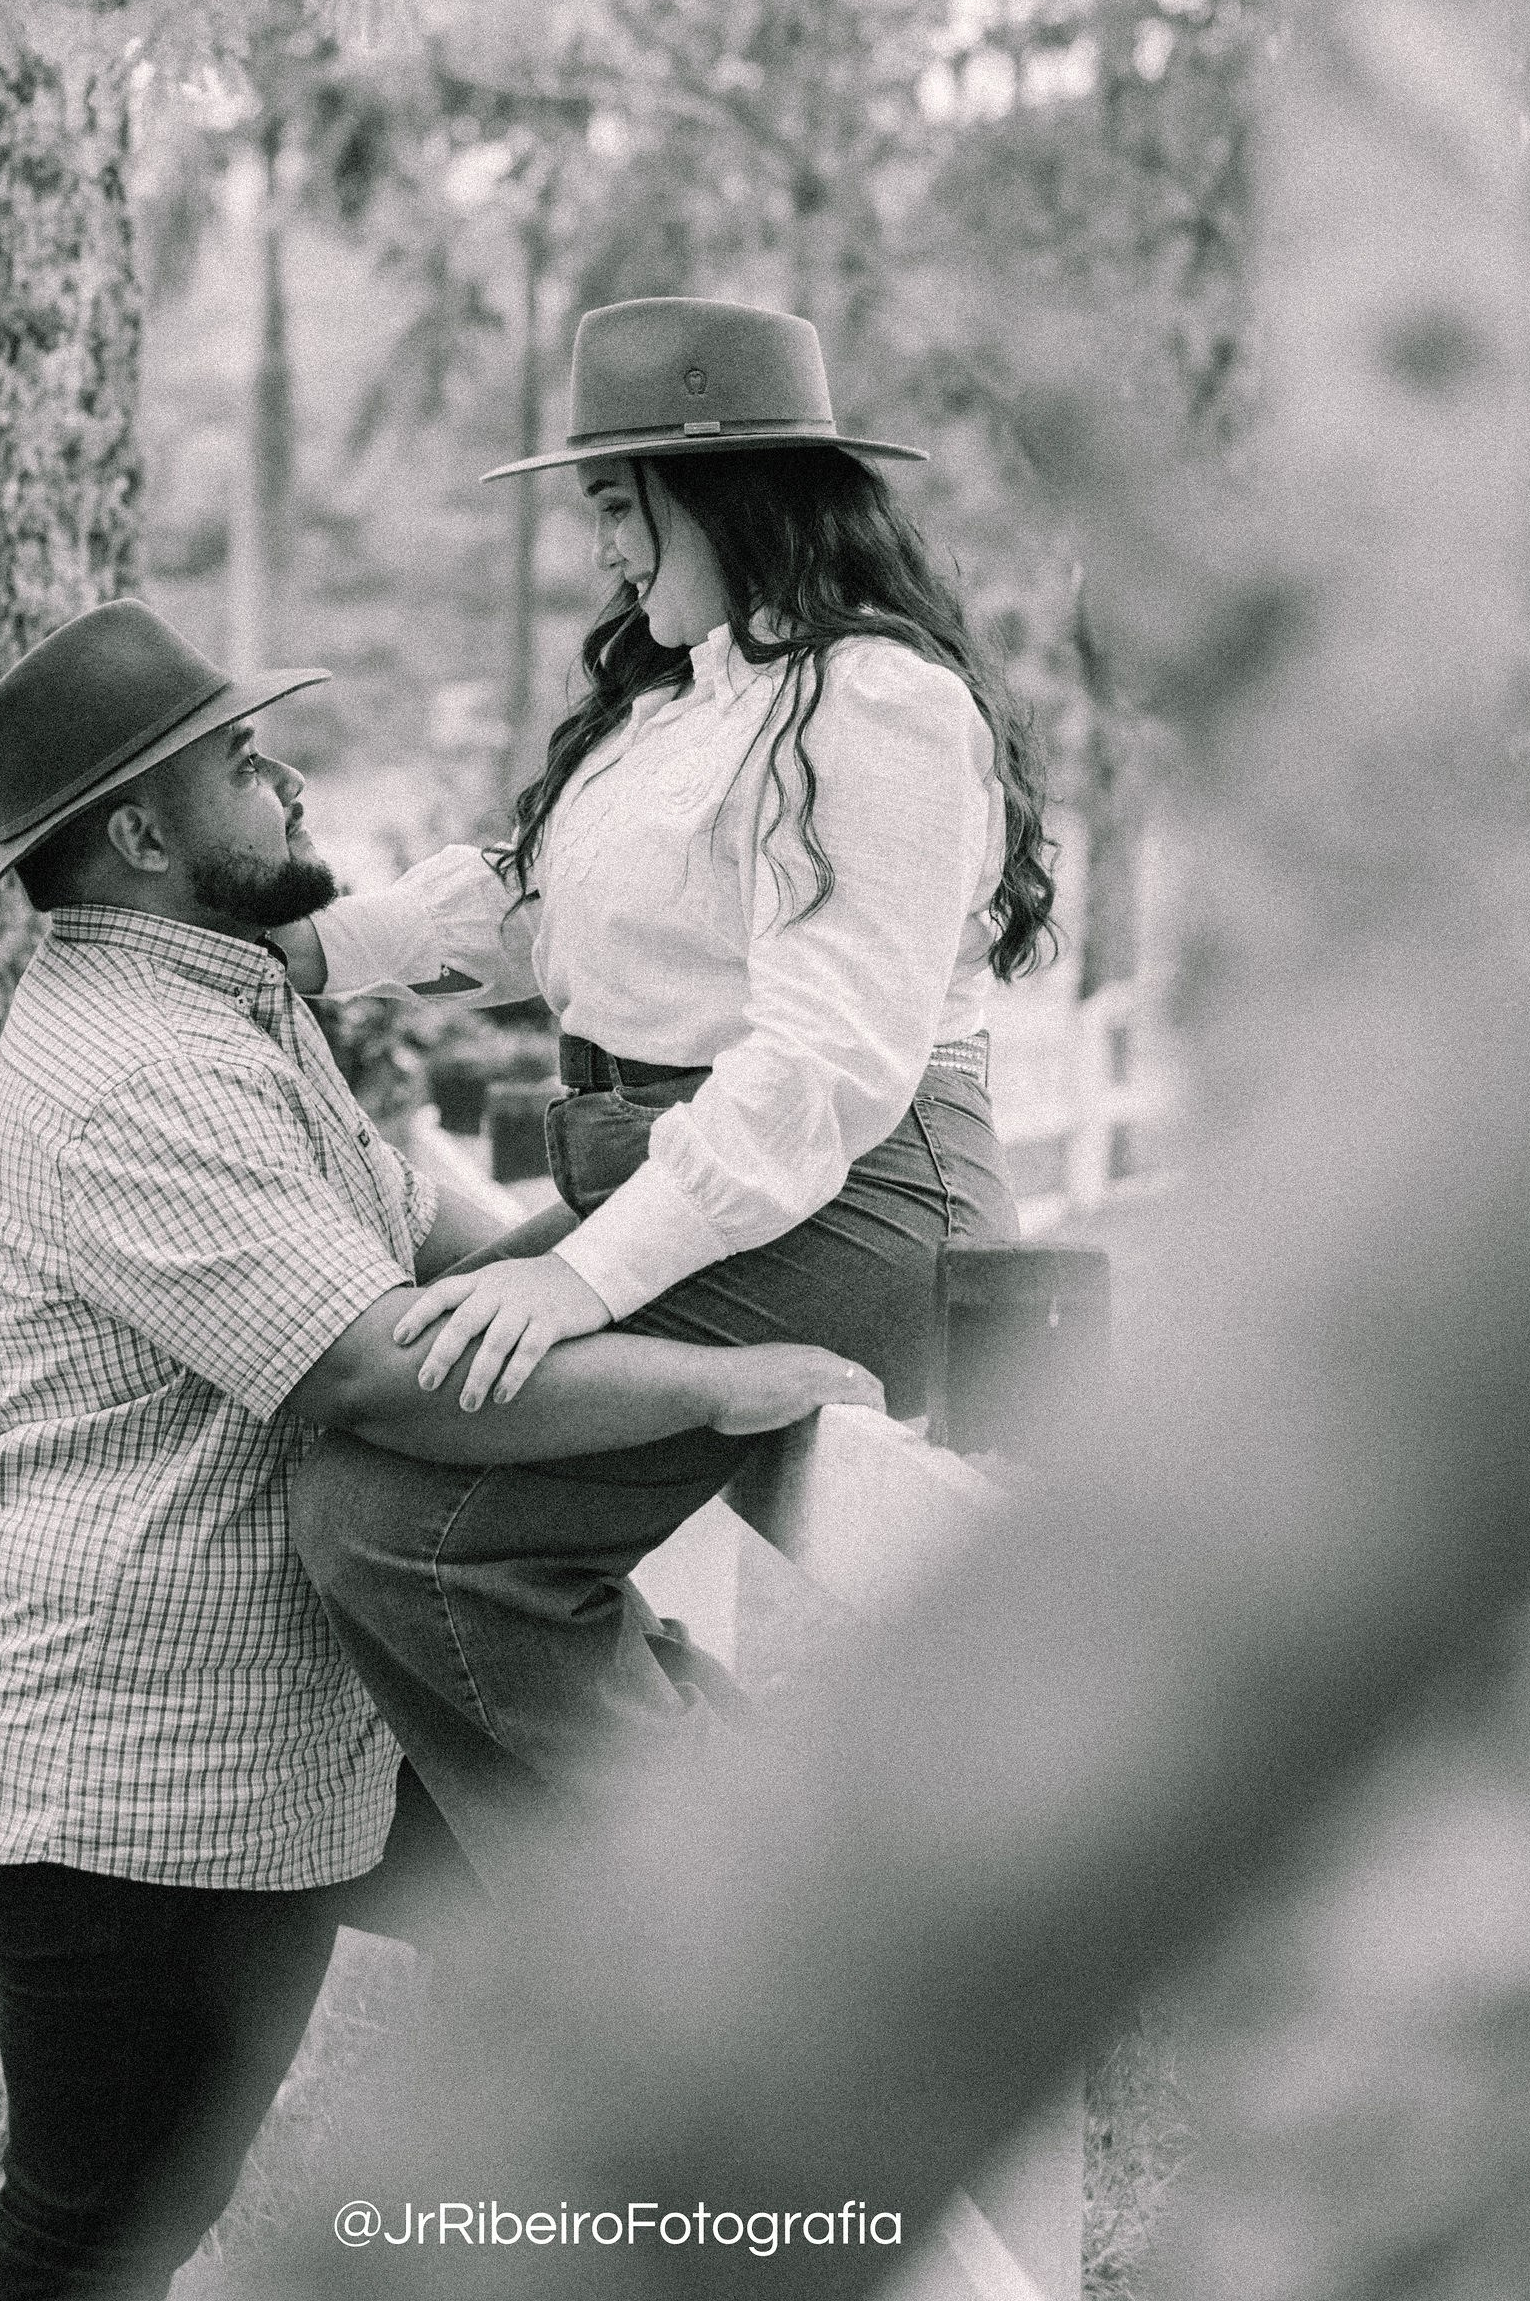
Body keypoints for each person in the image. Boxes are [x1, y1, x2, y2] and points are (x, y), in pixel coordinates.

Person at [0, 597, 878, 2301]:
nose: (283, 780)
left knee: (643, 1913)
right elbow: (378, 1375)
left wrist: (622, 1277)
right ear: (140, 834)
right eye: (237, 763)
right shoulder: (130, 1076)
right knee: (92, 2239)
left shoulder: (220, 1005)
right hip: (127, 1777)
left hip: (266, 1731)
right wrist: (724, 1385)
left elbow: (416, 1231)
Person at [279, 295, 1055, 1877]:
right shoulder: (679, 702)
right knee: (360, 1493)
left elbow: (825, 1064)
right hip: (682, 1181)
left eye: (619, 509)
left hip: (850, 1196)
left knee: (410, 1536)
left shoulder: (878, 708)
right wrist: (308, 951)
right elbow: (520, 899)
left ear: (729, 493)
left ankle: (712, 1925)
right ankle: (720, 1881)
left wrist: (578, 1279)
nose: (608, 554)